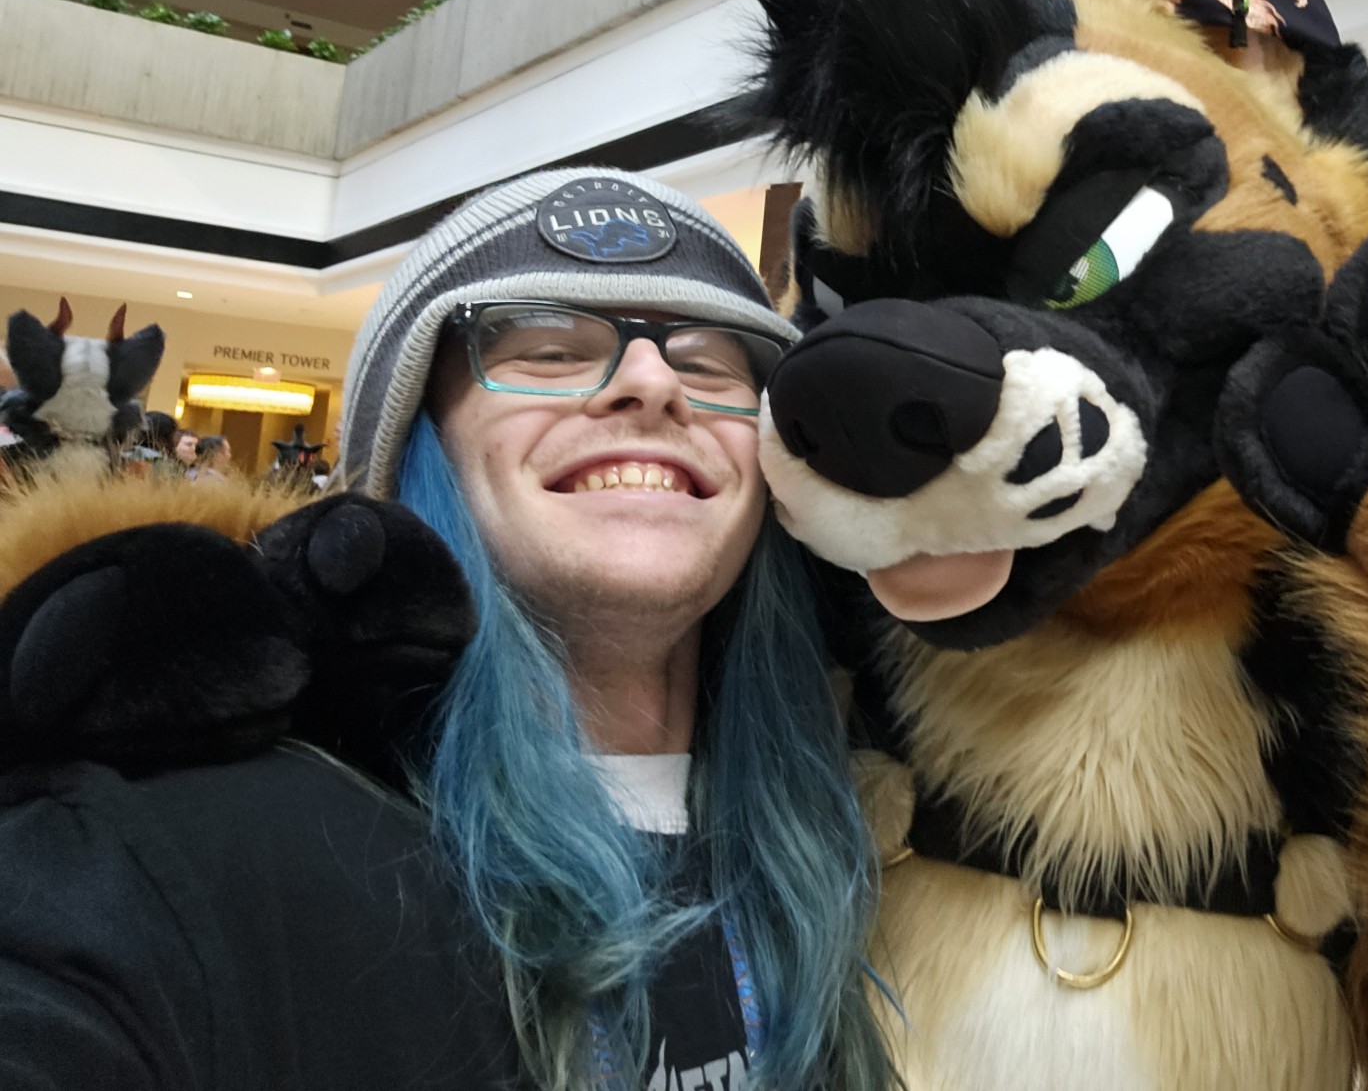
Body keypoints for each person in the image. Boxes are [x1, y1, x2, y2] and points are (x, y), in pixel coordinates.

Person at [0, 168, 894, 1091]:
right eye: (549, 348)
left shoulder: (870, 844)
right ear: (413, 440)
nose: (651, 380)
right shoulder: (179, 857)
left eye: (708, 361)